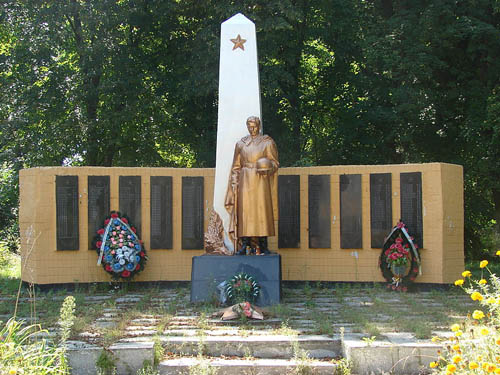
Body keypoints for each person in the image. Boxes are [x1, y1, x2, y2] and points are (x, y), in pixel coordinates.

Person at [224, 116, 279, 255]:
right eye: (249, 126)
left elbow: (275, 163)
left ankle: (262, 243)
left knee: (262, 211)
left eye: (254, 126)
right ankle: (245, 243)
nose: (251, 129)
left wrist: (268, 166)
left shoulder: (267, 142)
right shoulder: (241, 144)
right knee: (245, 212)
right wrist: (235, 182)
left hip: (261, 180)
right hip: (245, 179)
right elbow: (236, 166)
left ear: (259, 126)